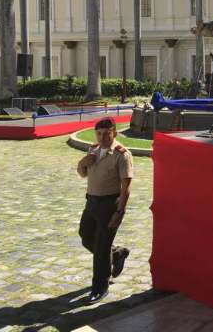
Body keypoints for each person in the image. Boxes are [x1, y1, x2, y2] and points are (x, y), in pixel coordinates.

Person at [76, 117, 133, 303]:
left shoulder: (121, 154)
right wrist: (83, 161)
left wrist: (120, 212)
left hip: (110, 205)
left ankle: (100, 287)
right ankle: (117, 254)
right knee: (85, 236)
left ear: (114, 133)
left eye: (107, 134)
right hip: (91, 203)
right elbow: (82, 173)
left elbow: (126, 186)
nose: (102, 137)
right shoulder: (92, 149)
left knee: (101, 248)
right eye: (99, 134)